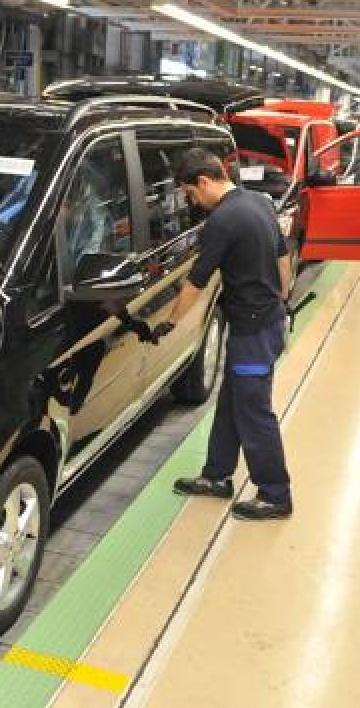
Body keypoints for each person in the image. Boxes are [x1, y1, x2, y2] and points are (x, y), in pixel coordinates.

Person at [146, 148, 294, 520]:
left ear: (204, 181)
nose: (193, 203)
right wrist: (281, 300)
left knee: (254, 412)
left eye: (191, 194)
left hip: (253, 331)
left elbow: (197, 282)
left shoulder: (222, 220)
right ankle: (217, 476)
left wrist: (170, 323)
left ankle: (275, 494)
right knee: (231, 402)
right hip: (266, 322)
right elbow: (282, 256)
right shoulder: (258, 202)